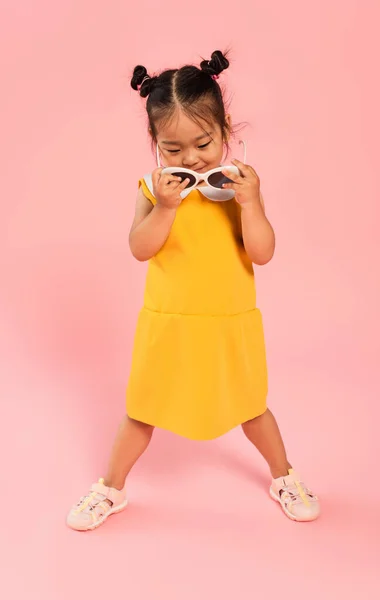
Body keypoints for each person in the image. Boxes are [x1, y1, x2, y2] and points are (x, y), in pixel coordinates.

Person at [67, 50, 320, 531]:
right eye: (173, 148)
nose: (191, 158)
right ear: (154, 142)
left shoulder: (240, 186)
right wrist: (165, 207)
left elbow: (262, 253)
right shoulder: (151, 188)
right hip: (170, 323)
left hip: (229, 323)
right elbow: (140, 249)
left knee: (252, 407)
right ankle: (110, 488)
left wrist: (251, 203)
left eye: (203, 143)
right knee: (142, 411)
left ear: (225, 128)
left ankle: (284, 476)